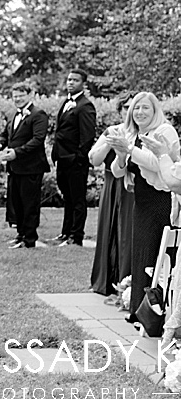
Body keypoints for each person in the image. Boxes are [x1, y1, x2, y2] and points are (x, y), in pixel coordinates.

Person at [107, 91, 178, 323]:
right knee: (141, 253)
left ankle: (156, 311)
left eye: (145, 108)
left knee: (158, 253)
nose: (139, 112)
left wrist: (129, 149)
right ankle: (139, 310)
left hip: (162, 199)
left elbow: (158, 163)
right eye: (136, 108)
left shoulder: (164, 131)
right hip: (142, 201)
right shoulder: (132, 134)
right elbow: (118, 171)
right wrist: (120, 154)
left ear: (155, 110)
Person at [0, 83, 51, 249]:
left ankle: (30, 239)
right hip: (15, 167)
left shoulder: (39, 114)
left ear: (30, 95)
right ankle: (20, 235)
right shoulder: (13, 115)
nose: (17, 99)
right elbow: (6, 135)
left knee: (29, 204)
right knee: (16, 203)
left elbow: (37, 140)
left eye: (21, 96)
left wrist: (16, 152)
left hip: (31, 167)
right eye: (15, 96)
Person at [88, 92, 135, 296]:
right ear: (120, 110)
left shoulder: (145, 133)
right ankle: (106, 281)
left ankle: (128, 283)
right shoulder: (111, 130)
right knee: (109, 229)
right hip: (111, 184)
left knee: (128, 233)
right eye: (126, 108)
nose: (130, 112)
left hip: (132, 187)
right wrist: (110, 140)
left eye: (133, 108)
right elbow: (94, 159)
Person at [52, 69, 97, 247]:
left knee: (77, 199)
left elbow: (87, 136)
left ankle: (76, 236)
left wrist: (78, 157)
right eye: (69, 79)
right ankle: (66, 232)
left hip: (75, 161)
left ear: (83, 84)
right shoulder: (66, 102)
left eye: (75, 80)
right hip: (62, 159)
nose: (70, 82)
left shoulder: (85, 105)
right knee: (67, 197)